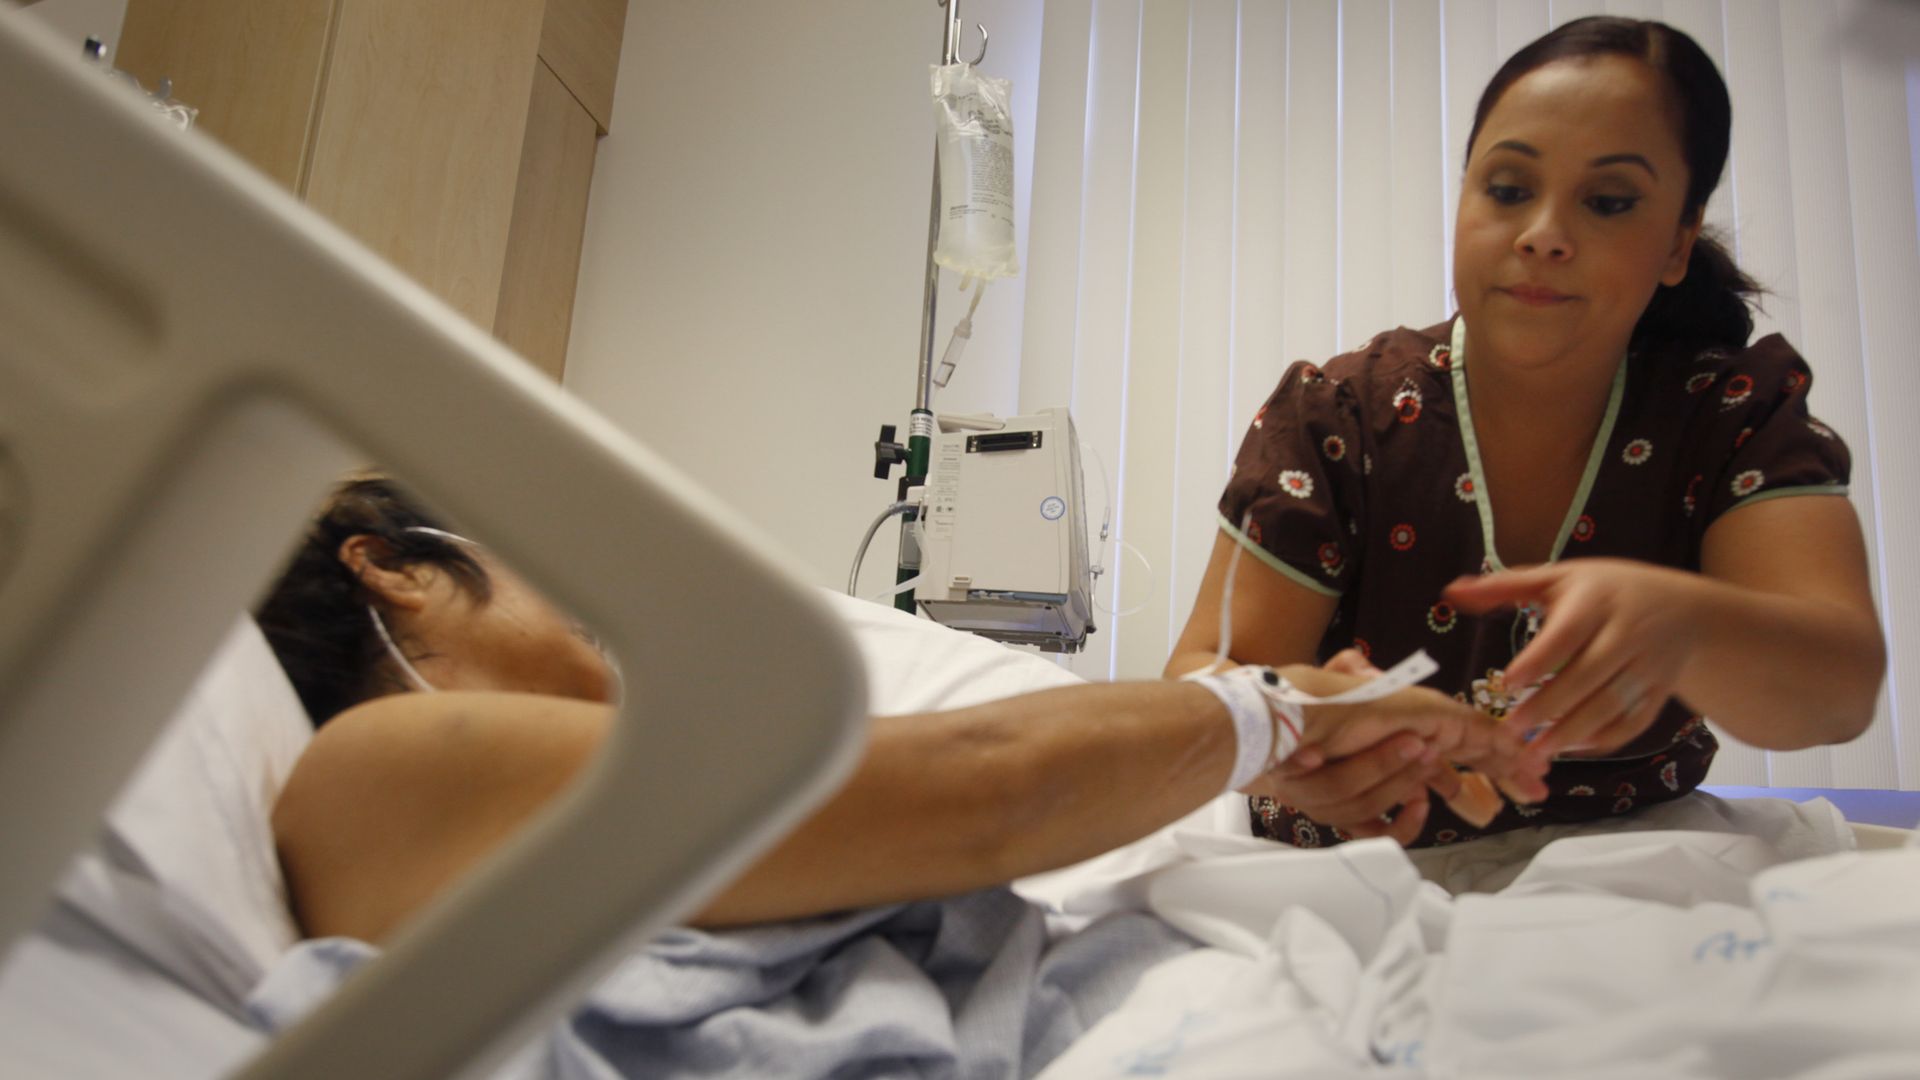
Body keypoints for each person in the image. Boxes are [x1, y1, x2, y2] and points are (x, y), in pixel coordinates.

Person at [255, 477, 1547, 943]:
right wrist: (1269, 716)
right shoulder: (370, 771)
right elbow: (991, 789)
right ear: (397, 571)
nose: (567, 591)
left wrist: (1261, 743)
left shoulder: (640, 726)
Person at [1166, 16, 1886, 850]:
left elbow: (1840, 693)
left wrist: (1686, 628)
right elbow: (1200, 683)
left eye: (1608, 202)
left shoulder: (1729, 416)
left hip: (1628, 869)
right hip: (1347, 870)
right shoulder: (1341, 417)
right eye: (1508, 189)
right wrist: (1287, 736)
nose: (1543, 234)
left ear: (1679, 241)